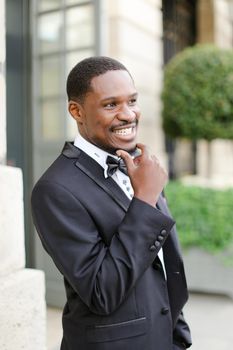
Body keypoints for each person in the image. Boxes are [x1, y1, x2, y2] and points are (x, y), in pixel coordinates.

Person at [31, 56, 192, 350]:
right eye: (111, 105)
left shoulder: (142, 166)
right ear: (76, 111)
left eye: (132, 101)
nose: (128, 114)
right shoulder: (54, 190)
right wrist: (144, 199)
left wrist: (177, 334)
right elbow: (101, 291)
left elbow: (163, 262)